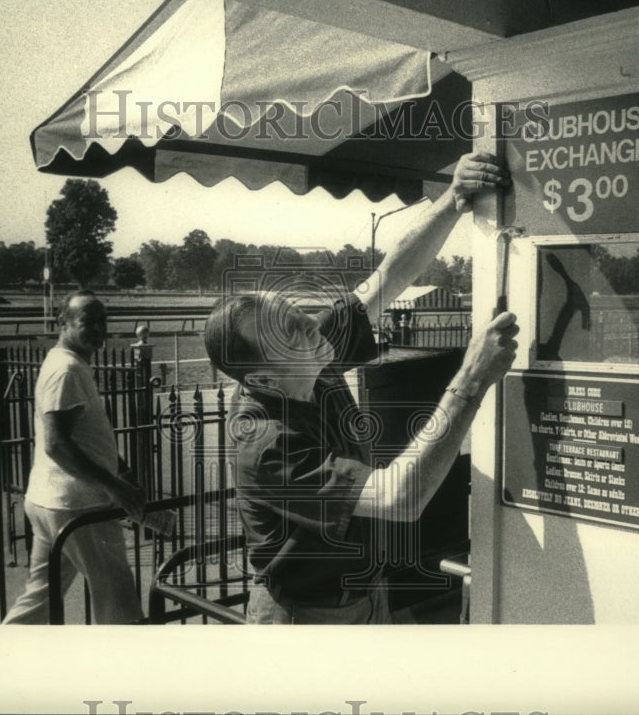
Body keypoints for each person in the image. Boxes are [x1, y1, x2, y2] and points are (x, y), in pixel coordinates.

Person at [203, 152, 520, 624]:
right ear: (264, 380)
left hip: (365, 595)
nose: (313, 328)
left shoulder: (308, 361)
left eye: (298, 315)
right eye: (293, 332)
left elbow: (385, 281)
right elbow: (401, 498)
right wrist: (471, 379)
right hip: (305, 620)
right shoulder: (266, 443)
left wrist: (453, 200)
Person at [3, 290, 148, 624]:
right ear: (62, 323)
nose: (98, 328)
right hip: (77, 507)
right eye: (88, 321)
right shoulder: (66, 370)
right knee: (118, 597)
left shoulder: (69, 364)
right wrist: (116, 486)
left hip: (50, 501)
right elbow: (58, 444)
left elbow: (86, 437)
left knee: (39, 597)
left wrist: (120, 470)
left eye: (103, 321)